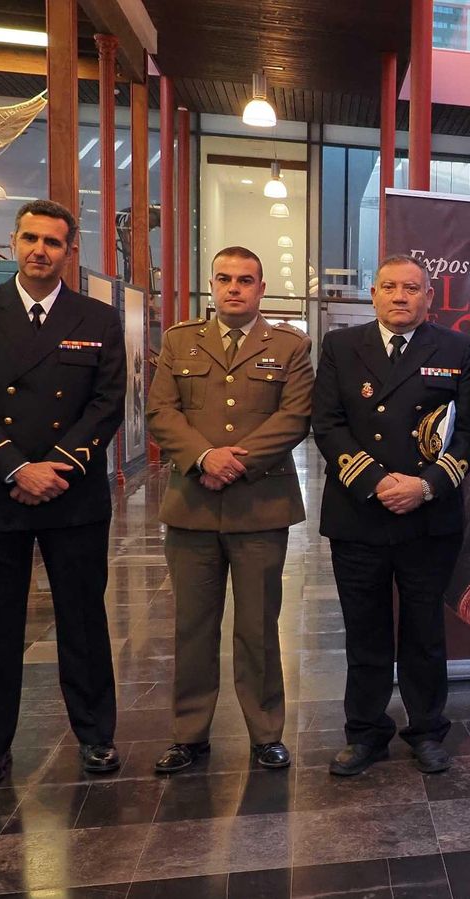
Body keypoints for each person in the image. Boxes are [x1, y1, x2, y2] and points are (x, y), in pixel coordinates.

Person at [0, 199, 126, 789]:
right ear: (13, 243)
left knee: (83, 622)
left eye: (53, 241)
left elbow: (106, 405)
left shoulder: (97, 319)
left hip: (73, 496)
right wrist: (18, 469)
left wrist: (55, 469)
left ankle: (96, 736)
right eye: (29, 239)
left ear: (71, 251)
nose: (40, 250)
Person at [146, 247, 314, 774]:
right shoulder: (179, 341)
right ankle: (189, 734)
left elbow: (296, 416)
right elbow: (160, 409)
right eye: (224, 279)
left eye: (246, 279)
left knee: (259, 626)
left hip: (260, 506)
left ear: (261, 288)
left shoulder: (290, 345)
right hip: (193, 506)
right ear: (211, 285)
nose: (234, 288)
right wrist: (203, 458)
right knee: (193, 626)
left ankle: (266, 733)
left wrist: (236, 462)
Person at [313, 254, 470, 776]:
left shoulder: (455, 348)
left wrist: (427, 486)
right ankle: (364, 733)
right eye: (389, 287)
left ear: (429, 297)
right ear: (374, 293)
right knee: (364, 633)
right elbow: (327, 422)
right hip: (360, 512)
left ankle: (428, 730)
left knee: (424, 632)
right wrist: (376, 481)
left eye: (412, 288)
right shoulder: (342, 346)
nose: (400, 296)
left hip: (428, 517)